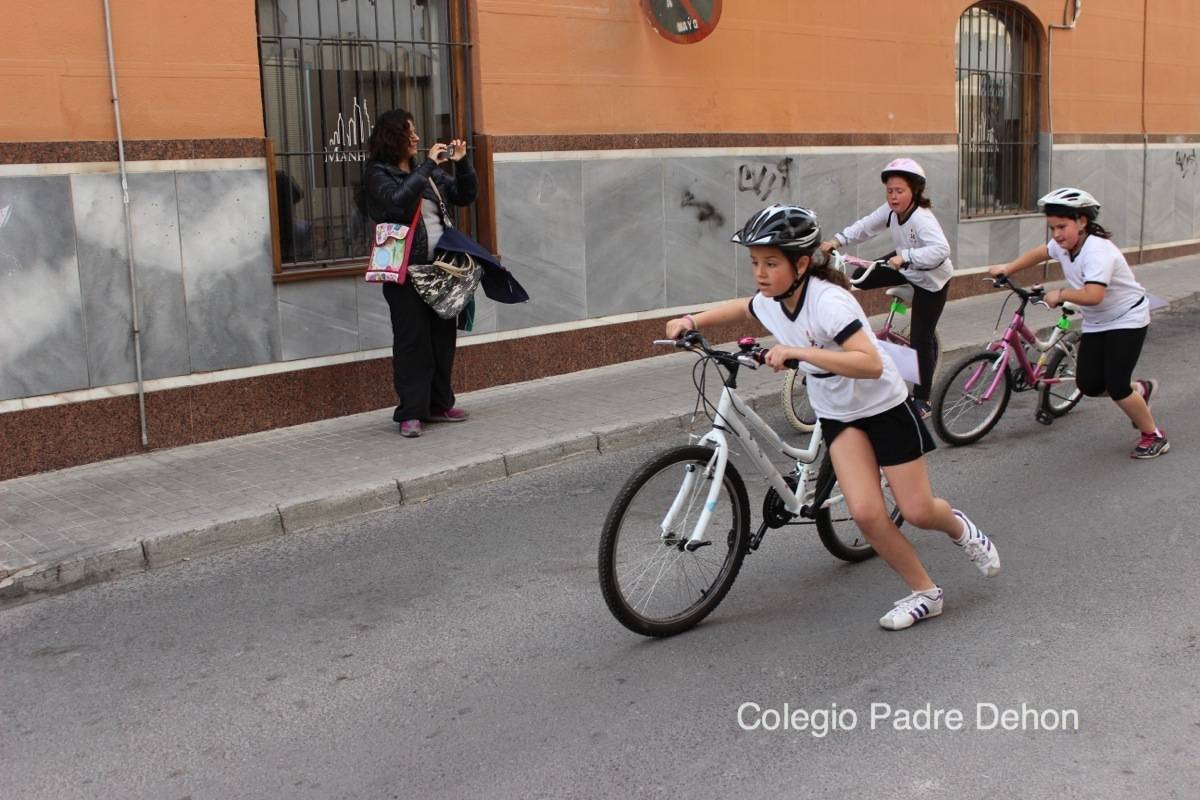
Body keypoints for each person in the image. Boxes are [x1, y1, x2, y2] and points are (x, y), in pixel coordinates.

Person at [665, 204, 1000, 630]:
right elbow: (743, 308)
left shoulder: (829, 303)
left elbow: (870, 363)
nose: (760, 273)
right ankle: (925, 593)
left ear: (801, 263)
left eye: (771, 263)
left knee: (917, 510)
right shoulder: (772, 300)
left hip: (883, 407)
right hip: (840, 416)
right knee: (865, 514)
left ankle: (960, 529)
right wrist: (691, 319)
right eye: (754, 263)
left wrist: (798, 353)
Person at [989, 188, 1168, 459]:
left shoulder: (1098, 251)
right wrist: (1009, 268)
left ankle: (1153, 435)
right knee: (1089, 385)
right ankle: (1141, 390)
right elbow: (1041, 252)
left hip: (1127, 318)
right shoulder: (1065, 245)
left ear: (1082, 221)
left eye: (1062, 226)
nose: (1057, 234)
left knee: (1117, 385)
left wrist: (1060, 294)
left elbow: (1094, 295)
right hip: (1097, 321)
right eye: (1052, 228)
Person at [362, 109, 477, 438]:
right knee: (412, 343)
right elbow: (397, 203)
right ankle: (410, 412)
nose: (416, 137)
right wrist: (427, 166)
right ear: (392, 137)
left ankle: (440, 404)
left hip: (439, 270)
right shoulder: (378, 174)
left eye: (415, 131)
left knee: (442, 339)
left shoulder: (428, 174)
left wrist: (462, 163)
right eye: (409, 132)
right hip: (405, 273)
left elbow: (465, 196)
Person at [818, 158, 953, 418]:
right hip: (903, 264)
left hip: (931, 281)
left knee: (920, 338)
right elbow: (867, 226)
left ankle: (922, 399)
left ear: (914, 191)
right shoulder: (891, 212)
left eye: (899, 191)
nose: (893, 196)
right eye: (889, 191)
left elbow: (941, 251)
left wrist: (908, 258)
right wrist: (836, 241)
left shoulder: (922, 218)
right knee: (860, 276)